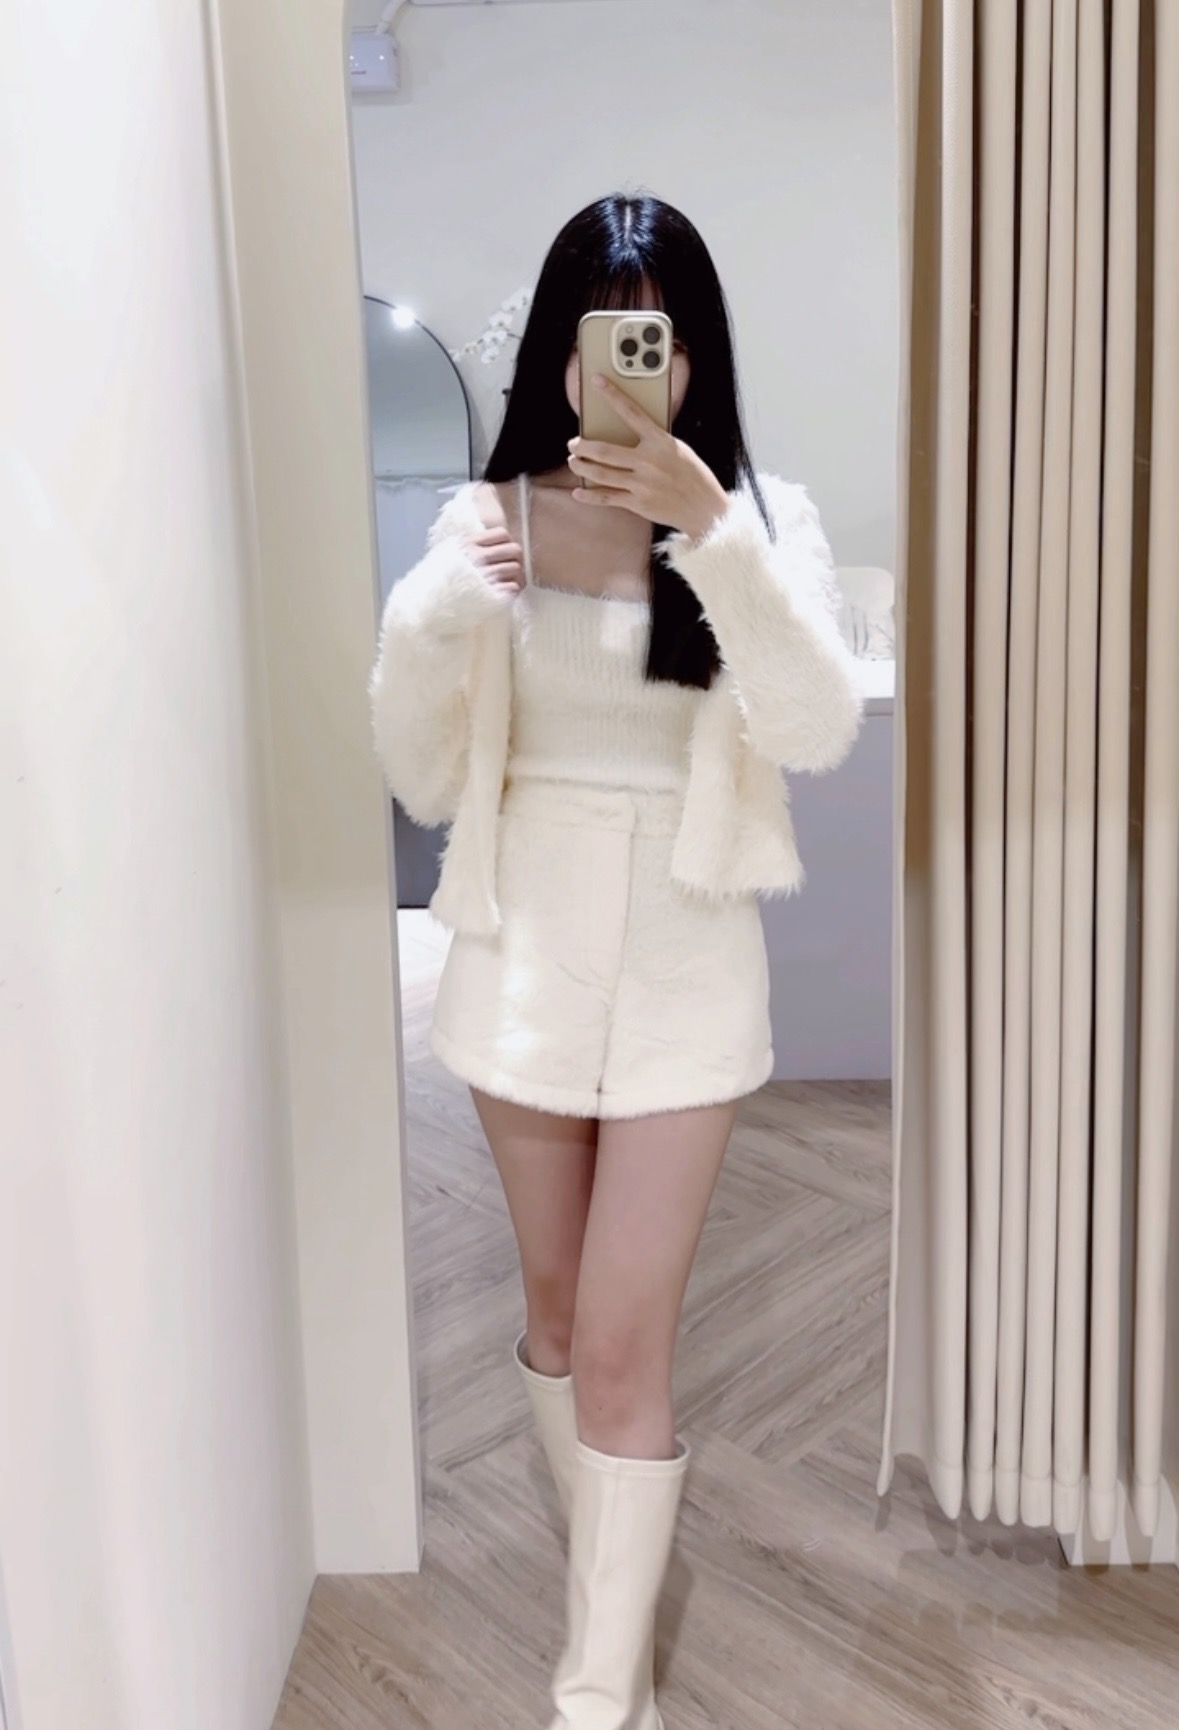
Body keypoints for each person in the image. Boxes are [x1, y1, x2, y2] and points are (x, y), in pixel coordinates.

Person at [368, 192, 864, 1730]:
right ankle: (618, 1604)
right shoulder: (489, 521)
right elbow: (418, 770)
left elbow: (817, 727)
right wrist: (448, 603)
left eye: (666, 336)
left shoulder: (761, 516)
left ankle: (599, 1694)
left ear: (697, 356)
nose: (636, 367)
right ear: (565, 356)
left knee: (630, 1336)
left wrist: (714, 536)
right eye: (609, 335)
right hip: (525, 955)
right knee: (561, 1314)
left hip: (688, 963)